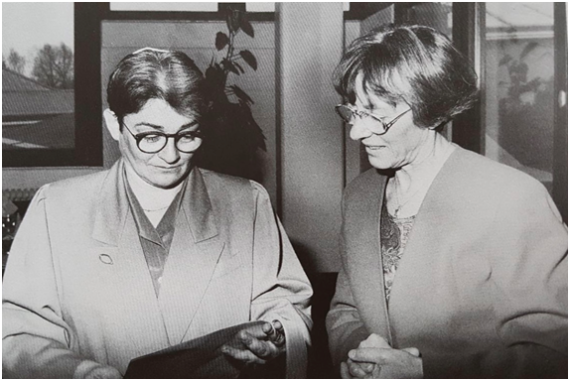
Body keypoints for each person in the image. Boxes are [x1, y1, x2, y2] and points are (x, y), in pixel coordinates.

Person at [3, 48, 312, 378]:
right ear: (113, 124)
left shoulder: (247, 203)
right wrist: (80, 372)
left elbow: (287, 307)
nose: (170, 154)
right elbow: (18, 335)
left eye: (188, 135)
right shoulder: (57, 210)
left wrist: (276, 335)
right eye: (150, 136)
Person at [326, 25, 567, 378]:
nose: (356, 132)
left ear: (433, 110)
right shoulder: (359, 196)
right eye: (354, 111)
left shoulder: (511, 197)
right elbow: (344, 311)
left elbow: (556, 353)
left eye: (376, 115)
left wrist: (428, 371)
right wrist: (360, 357)